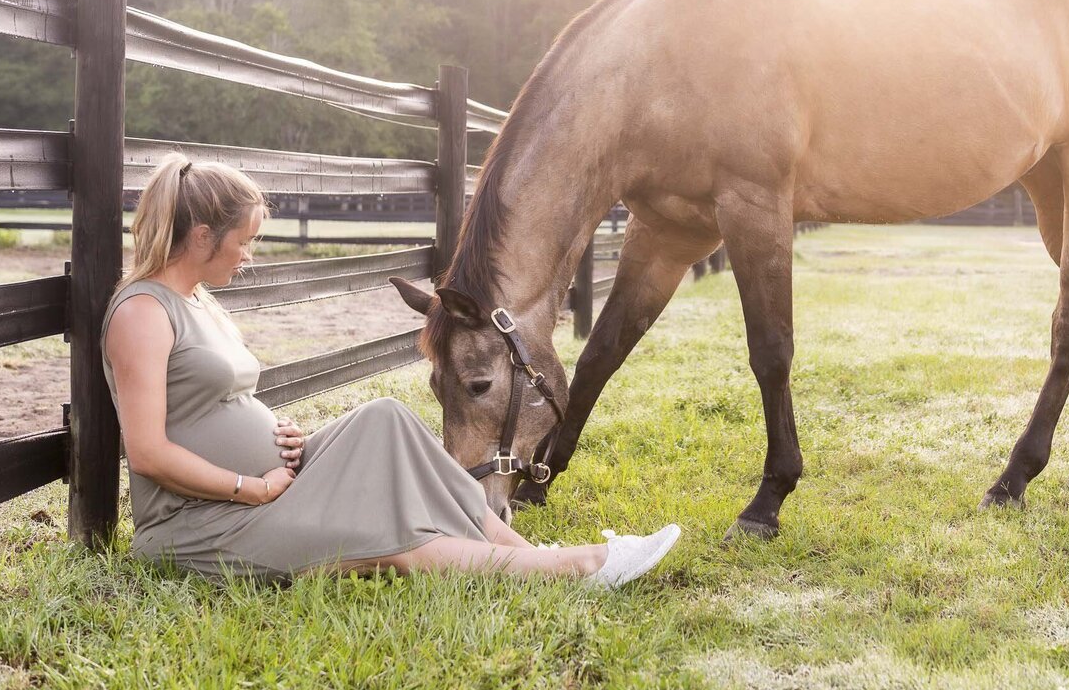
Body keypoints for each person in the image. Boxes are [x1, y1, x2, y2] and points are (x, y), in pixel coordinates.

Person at [101, 152, 680, 584]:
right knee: (388, 537)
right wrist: (250, 485)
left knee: (387, 419)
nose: (250, 255)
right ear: (202, 235)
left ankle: (525, 552)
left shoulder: (199, 300)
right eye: (245, 240)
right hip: (199, 523)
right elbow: (149, 452)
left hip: (268, 486)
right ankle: (575, 569)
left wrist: (276, 435)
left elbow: (210, 406)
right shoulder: (143, 314)